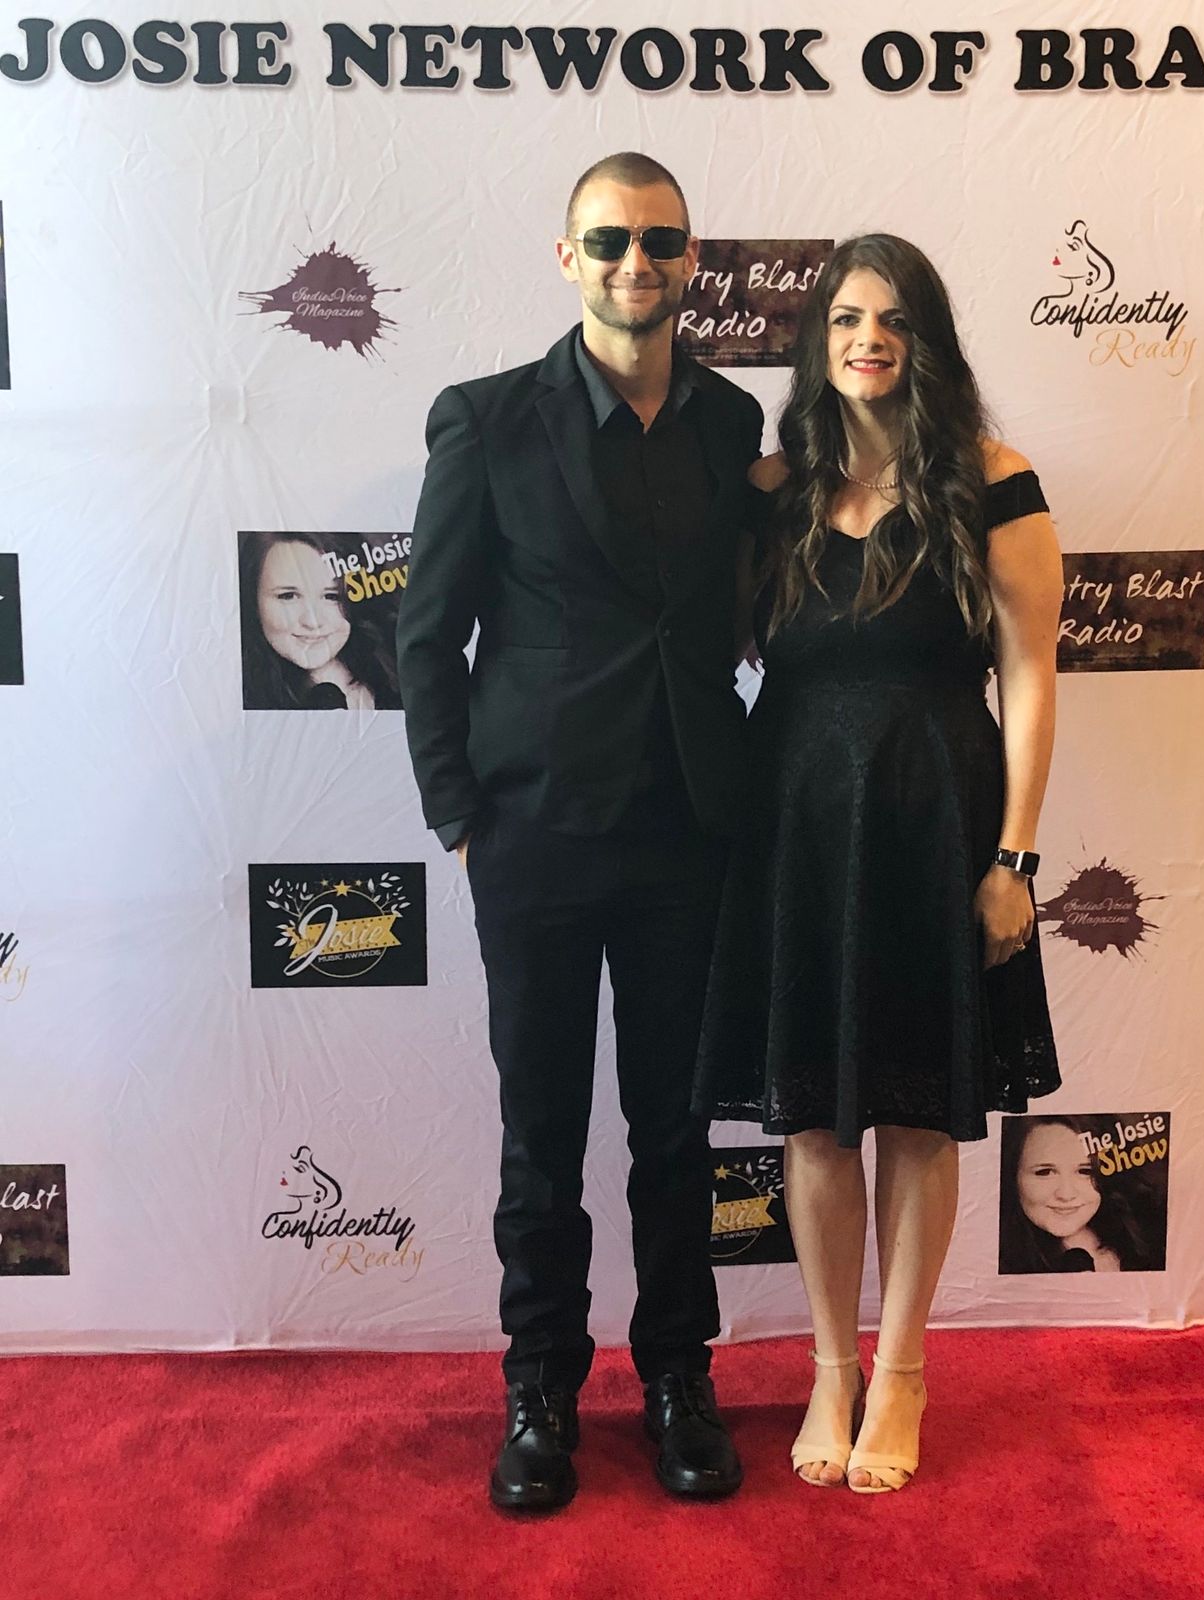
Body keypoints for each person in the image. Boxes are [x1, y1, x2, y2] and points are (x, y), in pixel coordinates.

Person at [396, 153, 763, 1512]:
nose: (635, 262)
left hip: (688, 833)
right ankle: (541, 1386)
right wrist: (457, 817)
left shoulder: (732, 420)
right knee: (541, 1134)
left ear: (691, 258)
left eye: (660, 240)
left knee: (677, 1133)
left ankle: (677, 1379)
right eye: (609, 240)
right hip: (535, 834)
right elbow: (425, 637)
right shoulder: (486, 419)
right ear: (568, 257)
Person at [694, 234, 1064, 1494]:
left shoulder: (991, 480)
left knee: (913, 1115)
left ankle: (900, 1370)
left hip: (935, 828)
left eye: (895, 319)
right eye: (848, 317)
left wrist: (1014, 855)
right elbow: (697, 642)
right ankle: (829, 1368)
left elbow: (1029, 673)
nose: (869, 339)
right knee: (808, 1118)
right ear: (816, 339)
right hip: (793, 832)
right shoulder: (772, 488)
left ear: (927, 340)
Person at [239, 530, 398, 709]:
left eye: (332, 596)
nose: (313, 622)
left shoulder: (402, 683)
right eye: (288, 596)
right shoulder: (234, 696)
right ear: (252, 599)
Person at [999, 1116, 1165, 1273]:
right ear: (1012, 1174)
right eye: (1045, 1172)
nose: (1066, 1194)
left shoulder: (1155, 1242)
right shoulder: (998, 1263)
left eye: (1085, 1171)